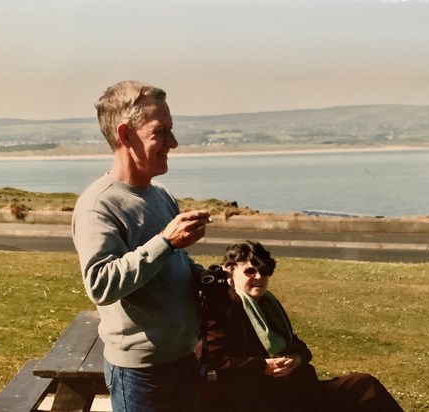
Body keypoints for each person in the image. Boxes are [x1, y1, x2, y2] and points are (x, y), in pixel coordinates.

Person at [72, 80, 212, 411]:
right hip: (140, 374)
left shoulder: (160, 195)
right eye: (161, 132)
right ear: (125, 136)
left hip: (183, 358)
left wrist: (202, 276)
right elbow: (100, 284)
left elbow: (170, 264)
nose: (173, 143)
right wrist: (166, 241)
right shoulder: (98, 205)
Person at [197, 241, 403, 411]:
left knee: (364, 384)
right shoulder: (223, 308)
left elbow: (300, 347)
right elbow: (214, 361)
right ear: (230, 272)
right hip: (261, 398)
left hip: (298, 389)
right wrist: (263, 367)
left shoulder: (268, 305)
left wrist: (296, 359)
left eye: (265, 271)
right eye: (251, 271)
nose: (259, 277)